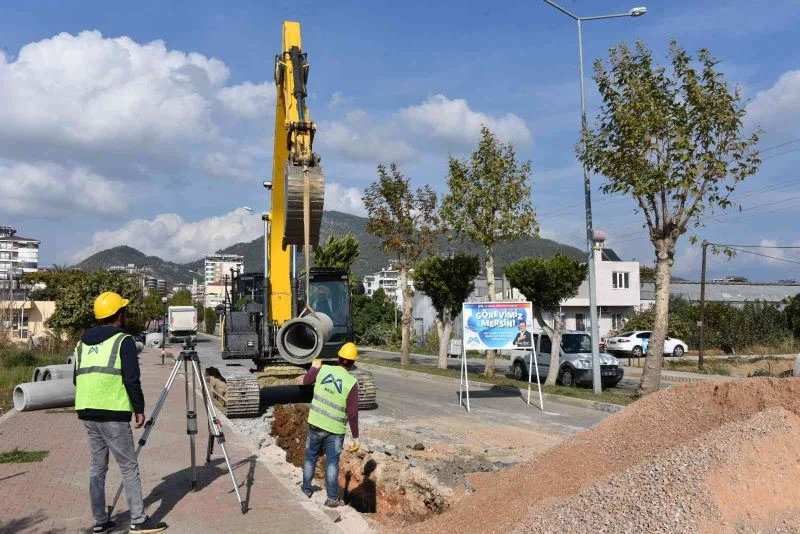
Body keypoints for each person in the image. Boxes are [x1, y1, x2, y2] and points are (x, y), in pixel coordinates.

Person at [73, 291, 167, 534]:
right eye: (123, 311)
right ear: (118, 315)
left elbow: (76, 378)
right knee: (128, 467)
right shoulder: (123, 340)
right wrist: (139, 409)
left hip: (87, 410)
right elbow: (132, 379)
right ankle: (138, 519)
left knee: (97, 469)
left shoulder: (82, 343)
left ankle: (100, 521)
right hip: (113, 411)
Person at [301, 342, 360, 507]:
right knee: (332, 462)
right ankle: (332, 498)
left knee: (310, 456)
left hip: (316, 423)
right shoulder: (351, 382)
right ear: (353, 363)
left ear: (338, 358)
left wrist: (314, 366)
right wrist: (356, 437)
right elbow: (353, 413)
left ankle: (306, 489)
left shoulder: (323, 370)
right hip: (335, 430)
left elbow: (306, 381)